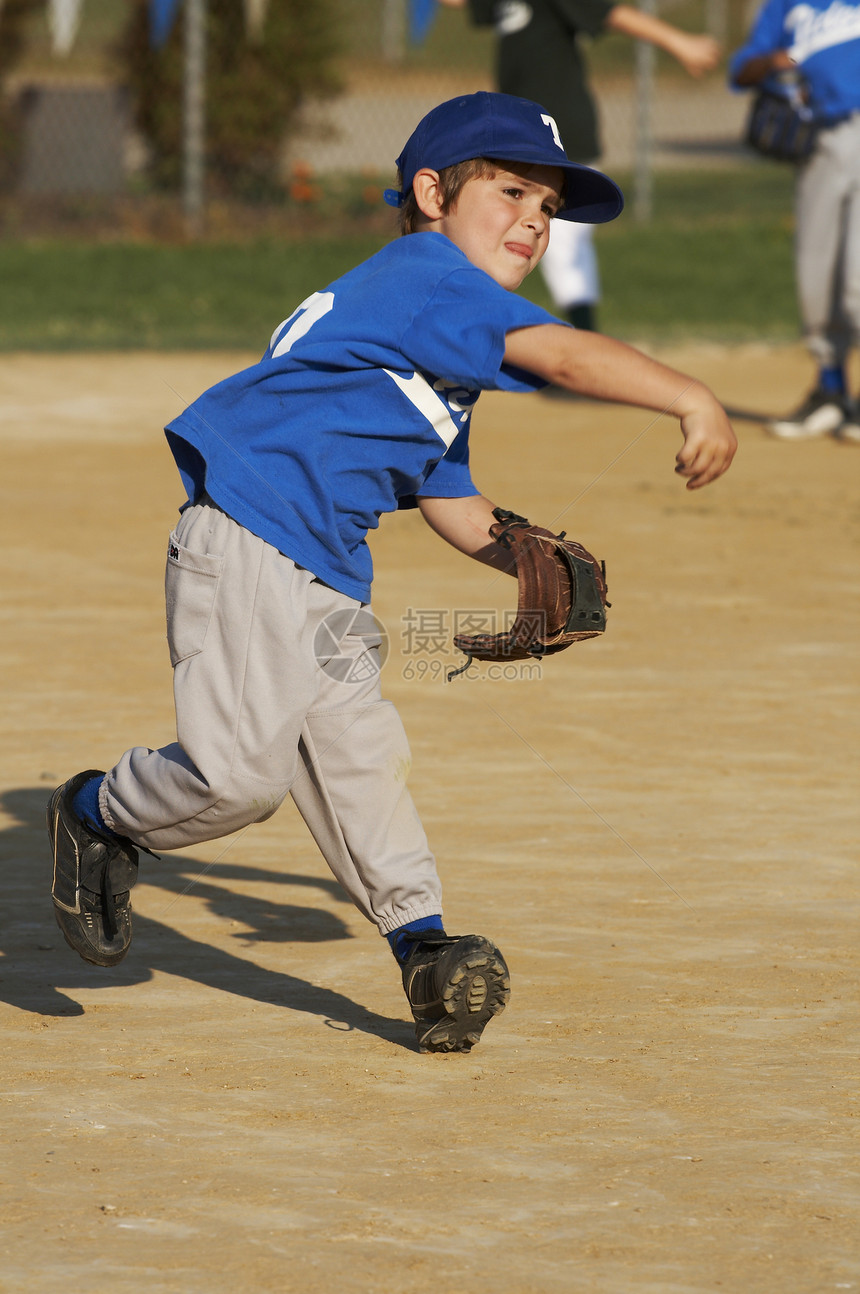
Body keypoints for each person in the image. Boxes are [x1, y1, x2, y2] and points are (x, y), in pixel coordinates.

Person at [47, 92, 737, 1055]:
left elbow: (448, 497)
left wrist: (523, 557)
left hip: (324, 567)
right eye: (509, 191)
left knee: (359, 759)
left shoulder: (432, 342)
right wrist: (690, 396)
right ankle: (96, 810)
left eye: (548, 205)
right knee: (239, 780)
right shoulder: (428, 280)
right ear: (430, 193)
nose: (534, 219)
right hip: (252, 537)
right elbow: (569, 357)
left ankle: (426, 948)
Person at [440, 0, 721, 331]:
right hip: (519, 137)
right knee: (527, 238)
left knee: (561, 243)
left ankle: (583, 344)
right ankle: (567, 339)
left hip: (560, 134)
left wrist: (679, 42)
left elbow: (612, 13)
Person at [730, 0, 860, 441]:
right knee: (816, 270)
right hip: (821, 143)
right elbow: (741, 70)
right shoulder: (785, 7)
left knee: (858, 280)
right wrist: (773, 63)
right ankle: (831, 389)